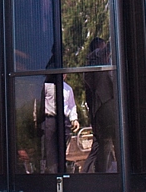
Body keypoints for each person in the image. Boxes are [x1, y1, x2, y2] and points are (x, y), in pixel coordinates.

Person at [82, 37, 117, 173]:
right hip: (105, 105)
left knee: (105, 144)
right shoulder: (95, 57)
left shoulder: (94, 67)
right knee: (109, 141)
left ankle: (104, 173)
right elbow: (106, 49)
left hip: (101, 107)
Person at [40, 77, 79, 173]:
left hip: (64, 120)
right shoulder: (46, 86)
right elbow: (40, 103)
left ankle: (61, 171)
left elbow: (72, 105)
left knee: (62, 148)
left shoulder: (67, 88)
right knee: (50, 150)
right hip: (50, 119)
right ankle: (52, 174)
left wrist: (74, 119)